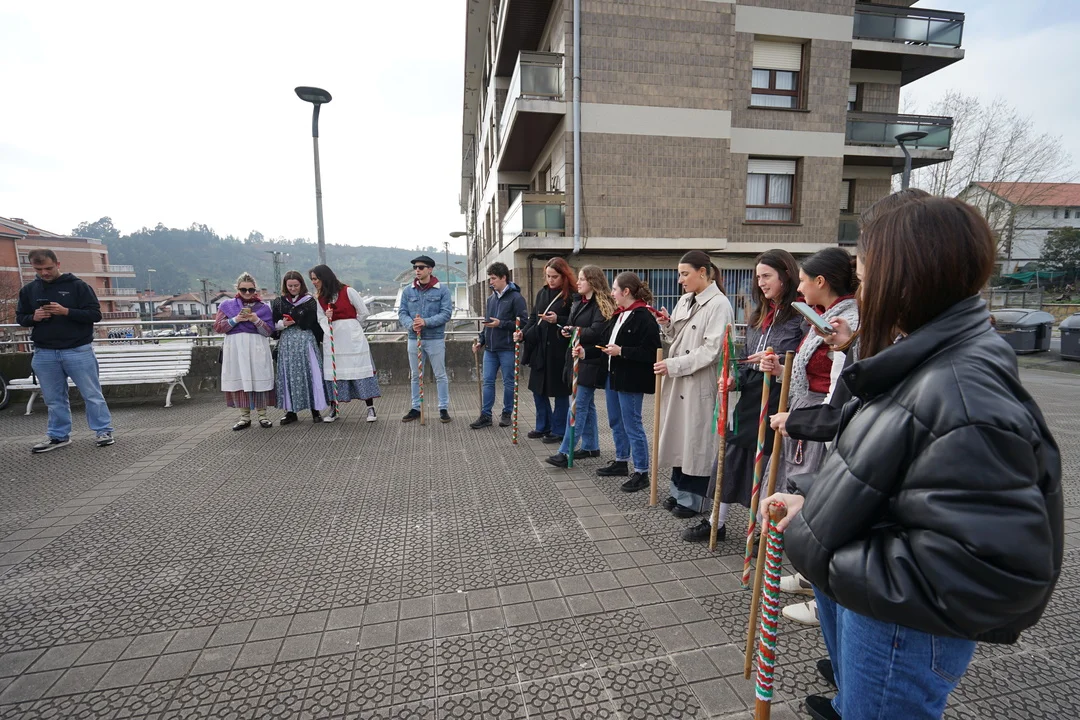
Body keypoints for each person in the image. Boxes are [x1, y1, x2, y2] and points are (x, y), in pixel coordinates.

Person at [765, 196, 1062, 720]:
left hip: (900, 629)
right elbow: (900, 481)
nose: (861, 293)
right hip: (884, 611)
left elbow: (986, 566)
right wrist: (817, 509)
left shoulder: (963, 392)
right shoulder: (926, 360)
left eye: (864, 277)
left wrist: (838, 555)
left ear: (903, 278)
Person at [683, 249, 803, 542]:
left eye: (767, 276)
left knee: (770, 466)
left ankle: (766, 527)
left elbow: (802, 365)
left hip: (780, 401)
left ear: (786, 275)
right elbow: (747, 362)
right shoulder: (758, 316)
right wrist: (733, 381)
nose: (761, 283)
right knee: (730, 458)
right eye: (758, 277)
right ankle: (716, 522)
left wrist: (779, 365)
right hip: (750, 401)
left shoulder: (800, 316)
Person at [653, 250, 734, 518]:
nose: (680, 280)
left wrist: (674, 365)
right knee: (680, 438)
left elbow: (713, 350)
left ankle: (695, 500)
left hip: (699, 381)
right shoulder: (686, 299)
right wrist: (667, 324)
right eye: (679, 274)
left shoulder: (719, 304)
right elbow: (677, 336)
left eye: (685, 274)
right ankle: (678, 491)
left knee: (697, 443)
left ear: (702, 272)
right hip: (680, 381)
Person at [15, 248, 115, 452]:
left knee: (92, 394)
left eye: (48, 268)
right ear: (32, 267)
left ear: (58, 264)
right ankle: (58, 436)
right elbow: (20, 318)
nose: (44, 273)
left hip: (78, 349)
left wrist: (66, 311)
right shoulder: (29, 290)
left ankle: (103, 431)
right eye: (39, 269)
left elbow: (95, 315)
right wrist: (33, 317)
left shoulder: (78, 286)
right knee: (53, 399)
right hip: (44, 352)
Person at [592, 272, 661, 491]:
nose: (612, 293)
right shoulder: (619, 314)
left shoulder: (644, 317)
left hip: (630, 379)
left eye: (614, 289)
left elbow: (652, 352)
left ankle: (641, 471)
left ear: (626, 291)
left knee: (633, 424)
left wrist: (622, 351)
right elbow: (605, 342)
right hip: (613, 376)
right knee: (616, 421)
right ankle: (621, 460)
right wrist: (587, 353)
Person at [544, 265, 615, 466]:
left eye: (582, 279)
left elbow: (598, 331)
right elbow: (575, 325)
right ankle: (591, 446)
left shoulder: (601, 304)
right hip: (575, 358)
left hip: (591, 360)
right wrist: (566, 330)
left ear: (592, 281)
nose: (578, 282)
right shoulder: (579, 301)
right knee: (586, 404)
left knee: (578, 406)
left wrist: (575, 330)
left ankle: (565, 452)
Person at [310, 264, 381, 423]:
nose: (313, 282)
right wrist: (327, 318)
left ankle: (370, 407)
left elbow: (363, 312)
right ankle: (334, 408)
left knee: (360, 370)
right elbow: (320, 318)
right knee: (334, 372)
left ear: (324, 277)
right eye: (312, 279)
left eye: (315, 279)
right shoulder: (320, 298)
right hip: (333, 336)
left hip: (351, 337)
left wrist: (352, 325)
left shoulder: (348, 291)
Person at [515, 257, 574, 443]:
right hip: (540, 349)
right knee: (537, 388)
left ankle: (559, 430)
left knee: (561, 391)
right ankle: (543, 425)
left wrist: (559, 319)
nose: (551, 280)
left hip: (560, 350)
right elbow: (534, 318)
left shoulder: (571, 295)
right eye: (548, 276)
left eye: (555, 276)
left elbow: (576, 321)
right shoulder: (542, 293)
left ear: (564, 276)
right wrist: (523, 334)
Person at [214, 273, 277, 430]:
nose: (247, 293)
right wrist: (236, 319)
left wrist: (256, 320)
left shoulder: (263, 308)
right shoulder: (227, 306)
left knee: (258, 377)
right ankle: (244, 417)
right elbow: (218, 327)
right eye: (244, 290)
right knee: (240, 379)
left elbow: (269, 331)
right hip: (235, 348)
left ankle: (263, 416)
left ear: (255, 290)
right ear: (238, 289)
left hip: (256, 346)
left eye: (251, 290)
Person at [470, 262, 528, 429]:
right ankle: (486, 415)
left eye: (494, 278)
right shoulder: (491, 299)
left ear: (504, 278)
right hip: (490, 349)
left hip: (508, 348)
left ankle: (507, 413)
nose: (491, 282)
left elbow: (524, 323)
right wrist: (481, 340)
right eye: (490, 279)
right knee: (488, 381)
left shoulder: (516, 298)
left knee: (509, 382)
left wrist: (501, 323)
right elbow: (487, 323)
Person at [399, 255, 453, 423]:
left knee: (440, 374)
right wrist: (411, 325)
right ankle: (416, 408)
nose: (417, 270)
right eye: (415, 267)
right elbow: (402, 312)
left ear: (430, 269)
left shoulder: (442, 290)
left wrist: (425, 322)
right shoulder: (408, 291)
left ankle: (443, 408)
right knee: (415, 375)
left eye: (421, 267)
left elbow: (446, 313)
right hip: (414, 338)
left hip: (435, 338)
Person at [271, 270, 327, 425]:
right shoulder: (279, 302)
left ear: (301, 285)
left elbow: (316, 323)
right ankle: (291, 411)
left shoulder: (310, 301)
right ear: (285, 286)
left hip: (306, 340)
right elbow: (273, 324)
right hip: (287, 341)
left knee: (310, 372)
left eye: (296, 285)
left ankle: (315, 409)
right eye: (290, 286)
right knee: (288, 374)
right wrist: (282, 324)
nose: (293, 288)